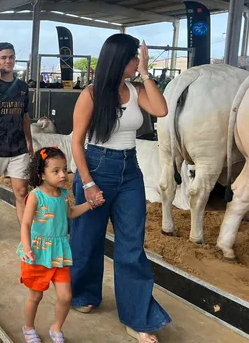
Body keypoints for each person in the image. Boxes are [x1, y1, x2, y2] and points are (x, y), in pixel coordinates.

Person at [70, 34, 171, 343]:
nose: (136, 63)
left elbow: (161, 110)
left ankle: (137, 316)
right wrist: (87, 183)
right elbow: (76, 141)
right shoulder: (92, 93)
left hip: (130, 171)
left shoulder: (135, 89)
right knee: (87, 239)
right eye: (132, 59)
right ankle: (83, 293)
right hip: (96, 166)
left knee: (131, 245)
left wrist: (144, 73)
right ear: (119, 60)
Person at [18, 147, 104, 343]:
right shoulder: (35, 196)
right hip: (38, 253)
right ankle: (29, 327)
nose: (63, 174)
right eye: (55, 171)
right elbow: (26, 223)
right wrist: (27, 247)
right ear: (42, 174)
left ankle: (56, 328)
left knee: (66, 297)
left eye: (64, 169)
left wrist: (91, 204)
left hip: (59, 252)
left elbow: (70, 213)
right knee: (36, 296)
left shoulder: (64, 194)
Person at [0, 42, 33, 245]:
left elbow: (25, 116)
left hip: (18, 148)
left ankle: (25, 235)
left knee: (21, 192)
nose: (8, 61)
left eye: (11, 57)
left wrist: (29, 142)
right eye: (3, 57)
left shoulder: (22, 87)